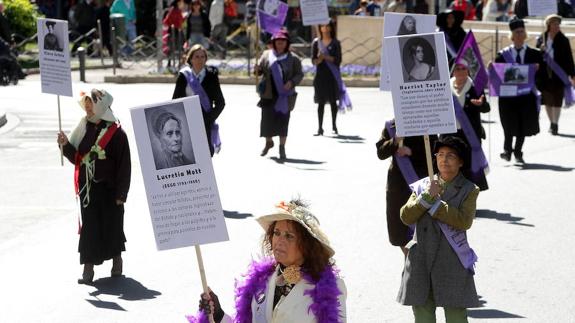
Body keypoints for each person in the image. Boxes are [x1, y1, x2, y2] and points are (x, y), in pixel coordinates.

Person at [187, 199, 347, 323]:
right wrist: (218, 314)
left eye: (289, 236)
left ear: (307, 246)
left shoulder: (328, 288)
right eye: (276, 233)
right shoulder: (261, 280)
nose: (279, 241)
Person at [397, 136, 480, 323]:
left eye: (450, 155)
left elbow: (464, 221)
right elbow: (405, 216)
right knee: (423, 316)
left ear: (460, 162)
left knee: (456, 316)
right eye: (440, 154)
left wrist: (437, 205)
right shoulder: (424, 186)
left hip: (451, 260)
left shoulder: (469, 189)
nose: (444, 159)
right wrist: (425, 198)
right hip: (421, 259)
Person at [56, 89, 131, 284]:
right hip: (88, 189)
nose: (87, 106)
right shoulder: (84, 128)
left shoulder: (118, 133)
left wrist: (121, 194)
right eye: (86, 102)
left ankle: (117, 262)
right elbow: (78, 158)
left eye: (91, 102)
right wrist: (65, 145)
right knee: (89, 228)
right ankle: (87, 270)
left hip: (110, 190)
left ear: (101, 105)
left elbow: (124, 166)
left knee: (113, 226)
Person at [376, 120, 437, 257]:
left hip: (421, 184)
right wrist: (395, 141)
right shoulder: (391, 125)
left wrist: (411, 152)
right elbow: (381, 153)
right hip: (398, 188)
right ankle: (409, 264)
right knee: (400, 233)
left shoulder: (425, 121)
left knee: (422, 231)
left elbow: (435, 152)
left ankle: (414, 268)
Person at [494, 17, 542, 163]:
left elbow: (542, 75)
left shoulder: (534, 54)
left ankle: (518, 151)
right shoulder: (502, 55)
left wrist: (538, 69)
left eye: (522, 31)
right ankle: (507, 150)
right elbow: (497, 75)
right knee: (507, 123)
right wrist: (492, 68)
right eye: (517, 32)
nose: (520, 34)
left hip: (525, 96)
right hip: (508, 96)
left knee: (522, 123)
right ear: (512, 35)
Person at [255, 29, 303, 160]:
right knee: (266, 121)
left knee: (283, 122)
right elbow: (259, 72)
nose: (280, 44)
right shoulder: (266, 55)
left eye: (283, 42)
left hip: (284, 95)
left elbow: (299, 74)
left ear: (287, 43)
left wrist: (292, 82)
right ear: (274, 43)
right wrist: (257, 69)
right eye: (277, 42)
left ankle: (282, 148)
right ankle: (268, 142)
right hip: (268, 94)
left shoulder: (293, 58)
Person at [173, 44, 225, 156]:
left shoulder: (211, 76)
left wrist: (210, 118)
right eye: (197, 56)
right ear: (190, 59)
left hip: (205, 123)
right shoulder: (183, 76)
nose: (200, 59)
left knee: (205, 156)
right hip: (185, 122)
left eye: (203, 57)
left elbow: (220, 102)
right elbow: (175, 100)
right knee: (188, 156)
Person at [450, 60, 490, 190]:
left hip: (470, 134)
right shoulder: (445, 86)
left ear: (468, 70)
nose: (460, 71)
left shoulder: (475, 87)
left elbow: (486, 108)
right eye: (457, 69)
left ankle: (469, 200)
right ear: (453, 71)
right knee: (450, 165)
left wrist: (481, 104)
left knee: (469, 166)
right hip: (450, 133)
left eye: (463, 68)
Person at [535, 14, 575, 136]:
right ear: (548, 25)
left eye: (558, 24)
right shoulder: (541, 38)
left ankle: (555, 124)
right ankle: (551, 121)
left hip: (559, 74)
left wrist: (572, 74)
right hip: (544, 74)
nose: (556, 26)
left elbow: (569, 58)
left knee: (557, 100)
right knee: (547, 100)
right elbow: (535, 55)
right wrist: (540, 49)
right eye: (554, 24)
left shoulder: (563, 40)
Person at [312, 21, 349, 136]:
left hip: (333, 76)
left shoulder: (336, 43)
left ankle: (334, 125)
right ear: (320, 28)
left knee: (333, 102)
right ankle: (320, 128)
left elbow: (338, 60)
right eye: (323, 26)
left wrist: (326, 57)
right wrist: (319, 59)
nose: (325, 28)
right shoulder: (316, 43)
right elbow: (314, 61)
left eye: (328, 26)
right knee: (320, 103)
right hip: (320, 77)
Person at [162, 0, 185, 71]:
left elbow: (166, 21)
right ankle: (177, 63)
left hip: (173, 32)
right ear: (178, 3)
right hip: (176, 32)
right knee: (179, 48)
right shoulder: (176, 10)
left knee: (172, 48)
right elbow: (167, 21)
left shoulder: (173, 10)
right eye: (181, 2)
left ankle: (171, 63)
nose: (183, 4)